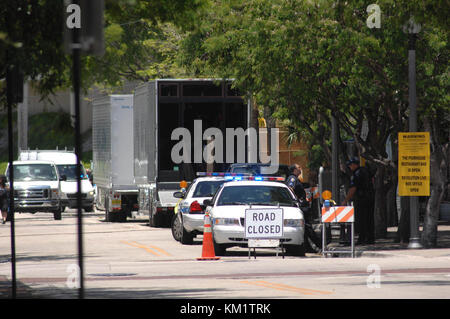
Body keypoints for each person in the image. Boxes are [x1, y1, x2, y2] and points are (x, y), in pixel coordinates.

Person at [342, 157, 375, 244]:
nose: (349, 167)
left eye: (350, 165)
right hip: (370, 198)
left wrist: (346, 200)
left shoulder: (356, 174)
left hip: (361, 199)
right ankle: (370, 238)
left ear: (354, 165)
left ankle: (362, 239)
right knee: (369, 219)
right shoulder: (366, 171)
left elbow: (353, 188)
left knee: (362, 220)